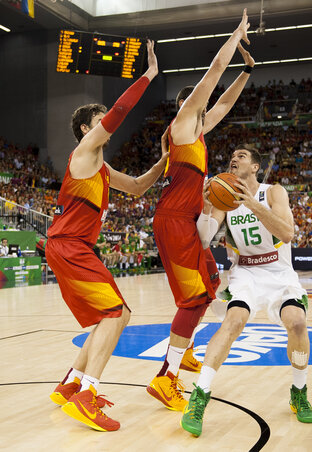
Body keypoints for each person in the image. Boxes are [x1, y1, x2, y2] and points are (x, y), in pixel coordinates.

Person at [46, 40, 168, 432]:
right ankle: (88, 395)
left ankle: (70, 385)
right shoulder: (84, 151)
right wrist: (148, 75)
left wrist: (164, 162)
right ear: (87, 128)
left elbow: (135, 187)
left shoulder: (100, 166)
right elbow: (118, 111)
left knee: (117, 314)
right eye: (99, 120)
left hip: (73, 247)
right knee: (115, 314)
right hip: (70, 246)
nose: (108, 125)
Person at [147, 9, 256, 411]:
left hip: (187, 220)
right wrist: (235, 35)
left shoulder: (198, 133)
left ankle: (184, 351)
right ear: (187, 106)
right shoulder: (181, 126)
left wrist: (248, 70)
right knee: (194, 299)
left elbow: (224, 101)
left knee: (209, 281)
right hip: (174, 220)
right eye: (198, 103)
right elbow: (213, 74)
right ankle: (165, 377)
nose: (206, 106)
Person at [181, 144, 312, 437]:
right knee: (233, 322)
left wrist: (251, 203)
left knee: (297, 322)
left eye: (241, 156)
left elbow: (288, 233)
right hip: (245, 271)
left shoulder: (272, 192)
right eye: (231, 157)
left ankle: (299, 391)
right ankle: (199, 396)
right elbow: (204, 240)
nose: (234, 159)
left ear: (255, 167)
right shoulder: (223, 200)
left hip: (278, 271)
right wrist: (206, 207)